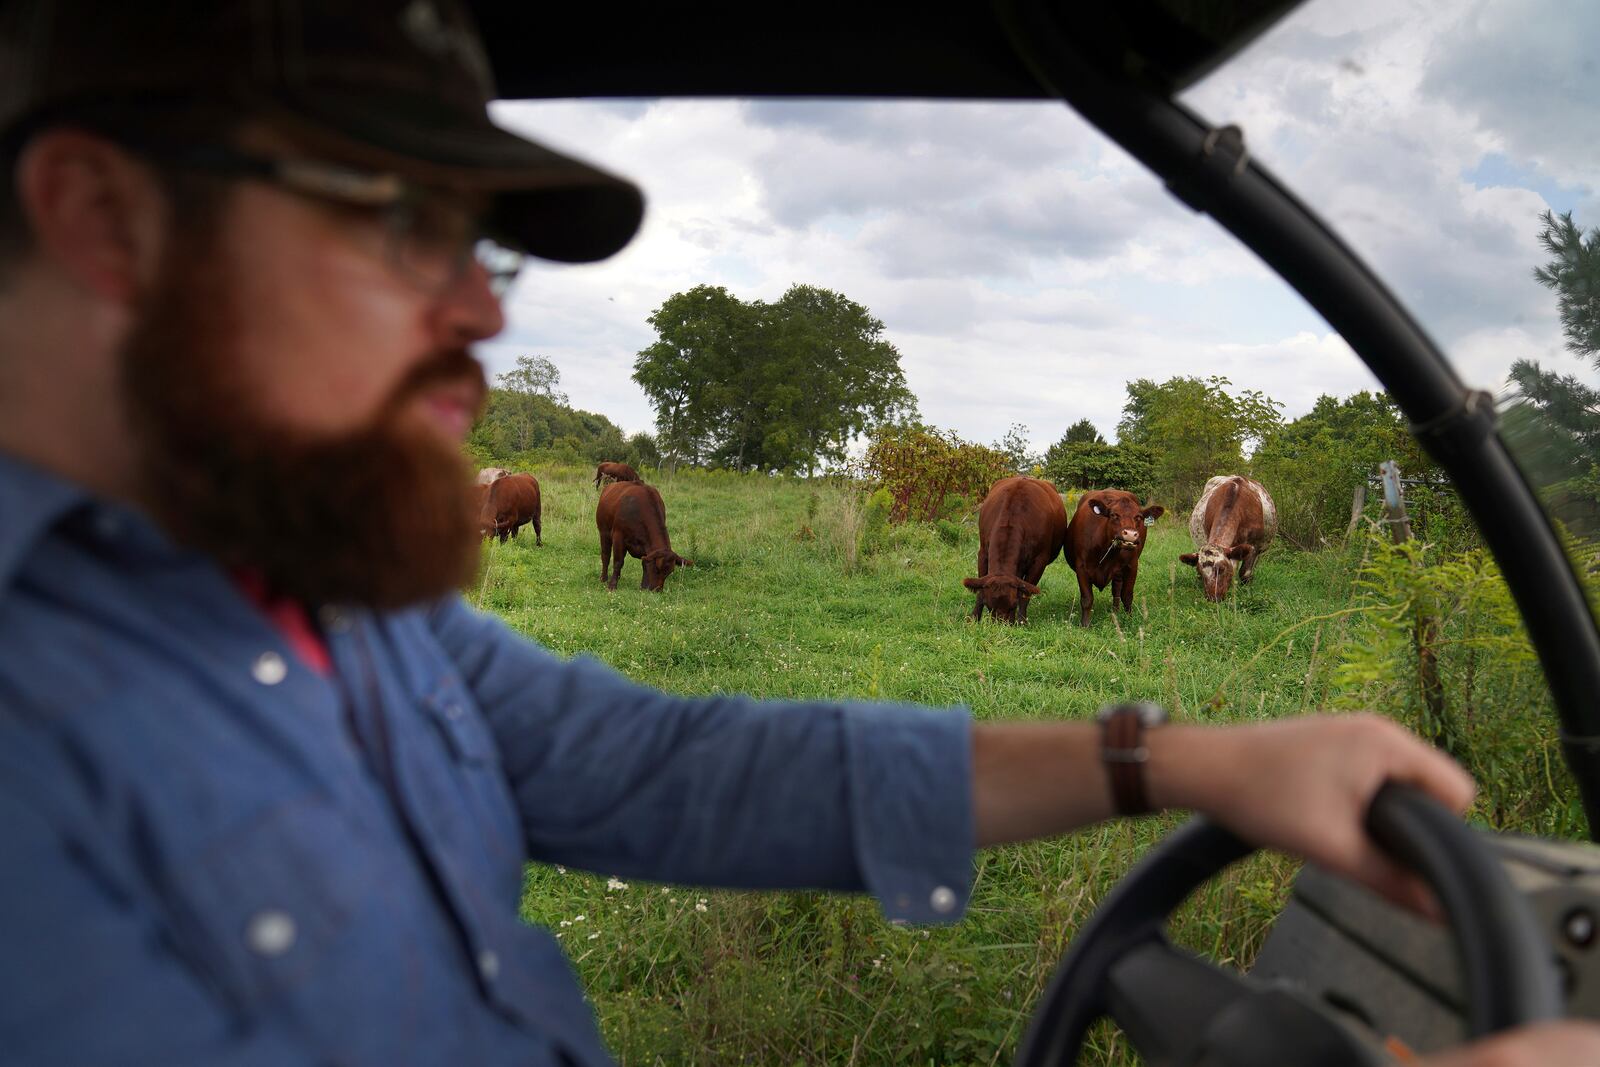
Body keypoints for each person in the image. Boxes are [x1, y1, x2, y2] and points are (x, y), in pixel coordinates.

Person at [0, 3, 1594, 1065]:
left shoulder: (331, 606)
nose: (481, 309)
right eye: (399, 220)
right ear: (105, 218)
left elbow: (682, 766)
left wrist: (1175, 762)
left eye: (484, 245)